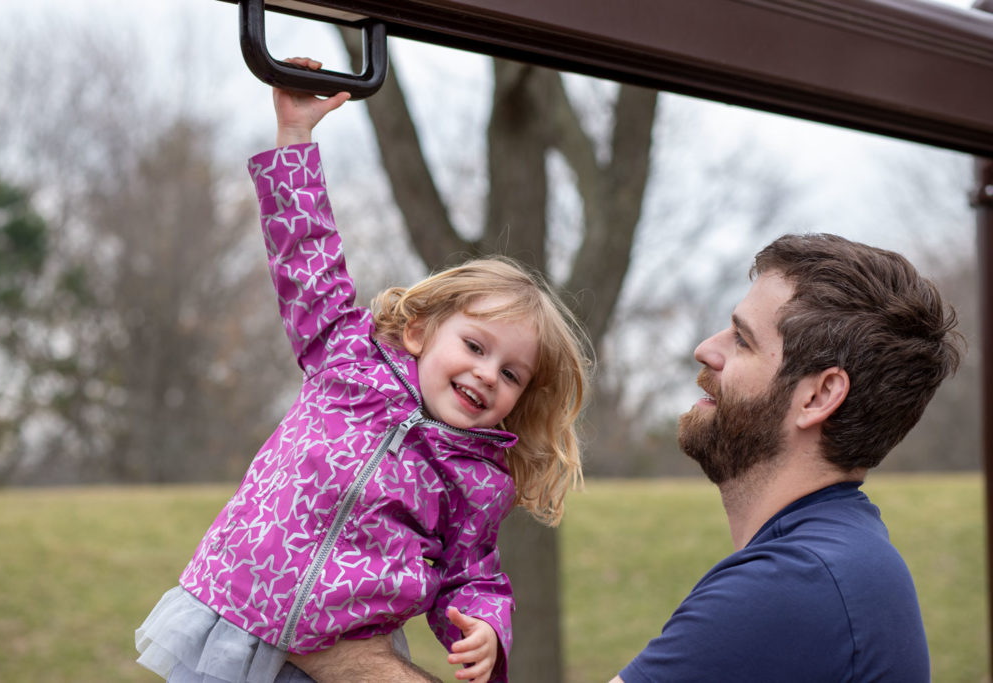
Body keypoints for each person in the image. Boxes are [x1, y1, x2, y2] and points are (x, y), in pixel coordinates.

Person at [135, 58, 592, 683]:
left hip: (338, 659)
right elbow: (306, 255)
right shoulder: (346, 356)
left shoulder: (476, 478)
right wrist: (295, 138)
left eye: (513, 375)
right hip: (237, 617)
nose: (489, 375)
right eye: (476, 347)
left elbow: (472, 571)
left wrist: (484, 625)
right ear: (420, 332)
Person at [611, 232, 962, 682]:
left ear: (818, 396)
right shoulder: (842, 558)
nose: (705, 349)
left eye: (742, 339)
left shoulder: (794, 584)